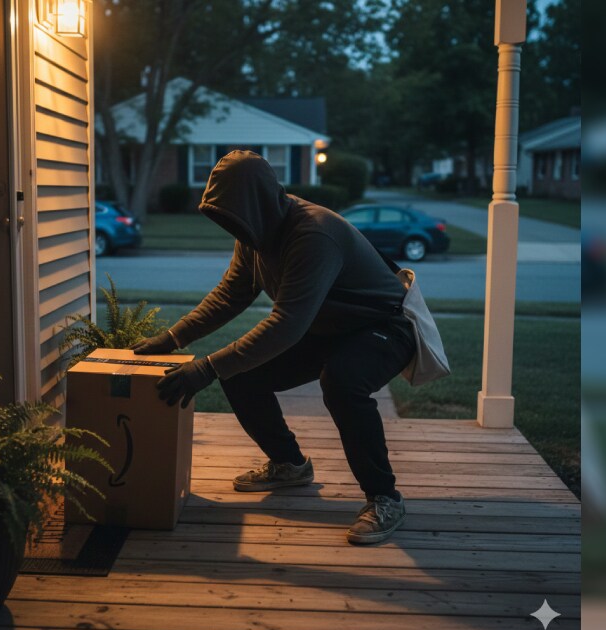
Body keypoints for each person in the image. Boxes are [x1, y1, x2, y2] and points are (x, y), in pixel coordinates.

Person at [132, 150, 416, 545]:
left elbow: (286, 323)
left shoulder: (313, 235)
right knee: (242, 374)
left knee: (342, 381)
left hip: (382, 327)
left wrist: (207, 367)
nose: (231, 225)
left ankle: (385, 497)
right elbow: (230, 294)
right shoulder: (254, 232)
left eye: (233, 214)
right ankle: (290, 464)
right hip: (326, 327)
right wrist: (173, 337)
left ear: (258, 202)